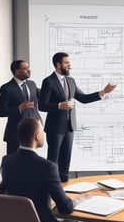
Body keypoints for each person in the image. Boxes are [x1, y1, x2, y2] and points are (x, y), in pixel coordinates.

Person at [0, 117, 94, 222]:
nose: (43, 134)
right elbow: (66, 208)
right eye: (42, 131)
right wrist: (80, 200)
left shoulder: (7, 161)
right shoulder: (47, 167)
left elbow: (3, 191)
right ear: (37, 136)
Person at [39, 52, 116, 182]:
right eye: (66, 63)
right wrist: (59, 105)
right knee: (53, 158)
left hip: (70, 126)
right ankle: (50, 185)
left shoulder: (71, 80)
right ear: (58, 65)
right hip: (55, 127)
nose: (70, 65)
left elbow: (83, 98)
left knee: (66, 158)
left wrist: (103, 92)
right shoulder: (48, 82)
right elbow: (42, 106)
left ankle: (64, 184)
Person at [0, 60, 42, 154]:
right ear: (17, 71)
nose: (29, 70)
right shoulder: (7, 88)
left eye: (28, 68)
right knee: (14, 162)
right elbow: (1, 111)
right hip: (15, 132)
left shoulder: (31, 84)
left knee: (30, 162)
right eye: (25, 69)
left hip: (33, 131)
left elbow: (44, 94)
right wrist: (19, 108)